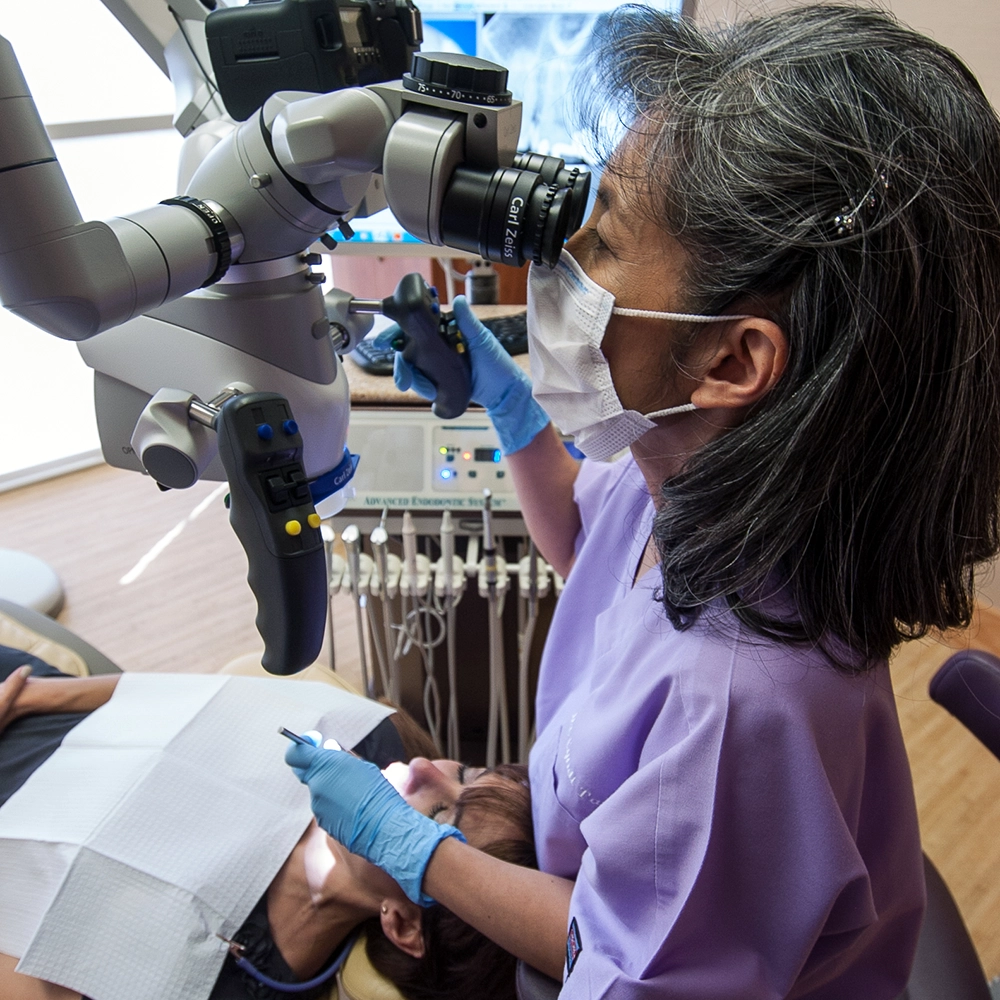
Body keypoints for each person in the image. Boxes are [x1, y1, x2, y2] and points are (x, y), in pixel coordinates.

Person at [283, 5, 1000, 998]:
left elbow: (620, 958)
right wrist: (508, 401)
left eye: (601, 238)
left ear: (730, 357)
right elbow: (588, 539)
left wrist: (416, 850)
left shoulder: (737, 701)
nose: (558, 255)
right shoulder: (705, 474)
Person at [0, 651, 535, 1000]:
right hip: (38, 707)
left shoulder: (217, 979)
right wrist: (37, 695)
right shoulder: (374, 740)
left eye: (442, 815)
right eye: (467, 771)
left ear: (402, 924)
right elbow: (183, 697)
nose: (427, 769)